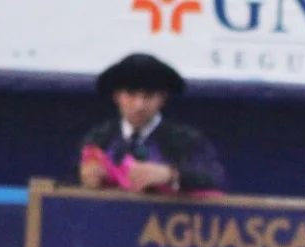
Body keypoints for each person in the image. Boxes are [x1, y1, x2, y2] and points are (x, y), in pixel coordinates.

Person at [79, 53, 225, 196]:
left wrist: (171, 174)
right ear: (117, 96)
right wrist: (88, 175)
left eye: (148, 96)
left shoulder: (185, 140)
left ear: (162, 98)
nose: (139, 105)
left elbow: (215, 177)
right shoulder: (100, 138)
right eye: (131, 95)